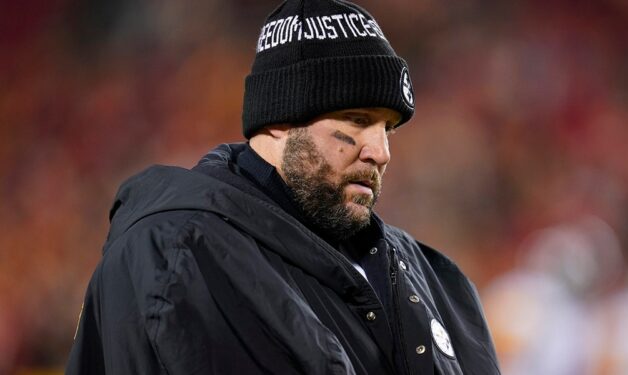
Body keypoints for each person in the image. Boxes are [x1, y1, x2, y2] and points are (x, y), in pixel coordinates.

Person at [66, 1, 501, 374]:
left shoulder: (435, 278)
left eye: (388, 127)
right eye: (357, 120)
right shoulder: (177, 254)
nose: (381, 152)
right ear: (279, 118)